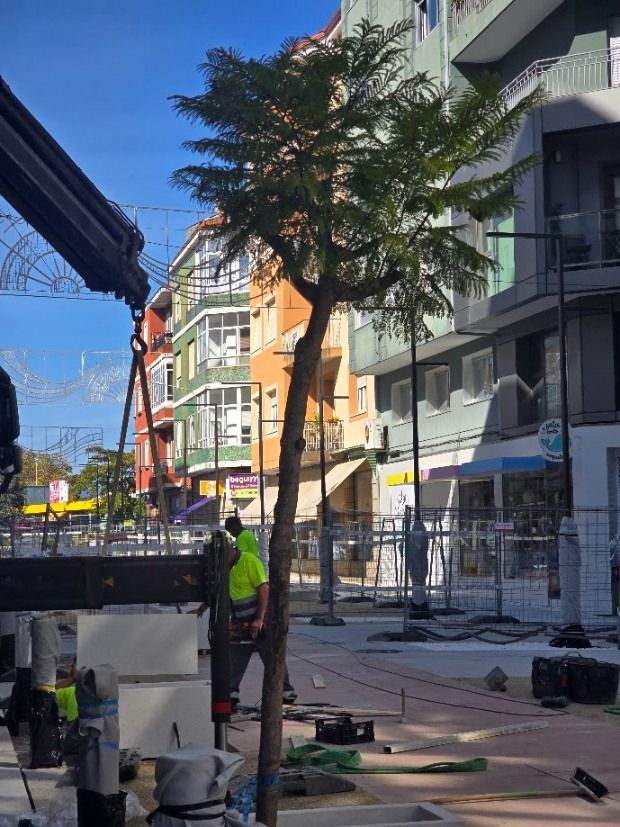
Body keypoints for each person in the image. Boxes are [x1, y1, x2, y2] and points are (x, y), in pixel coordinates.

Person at [197, 540, 296, 709]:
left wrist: (259, 618)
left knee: (271, 655)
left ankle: (285, 691)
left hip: (260, 619)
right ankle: (231, 692)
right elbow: (216, 593)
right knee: (236, 657)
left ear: (229, 551)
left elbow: (263, 589)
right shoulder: (224, 568)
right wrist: (200, 610)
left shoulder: (249, 561)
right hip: (240, 621)